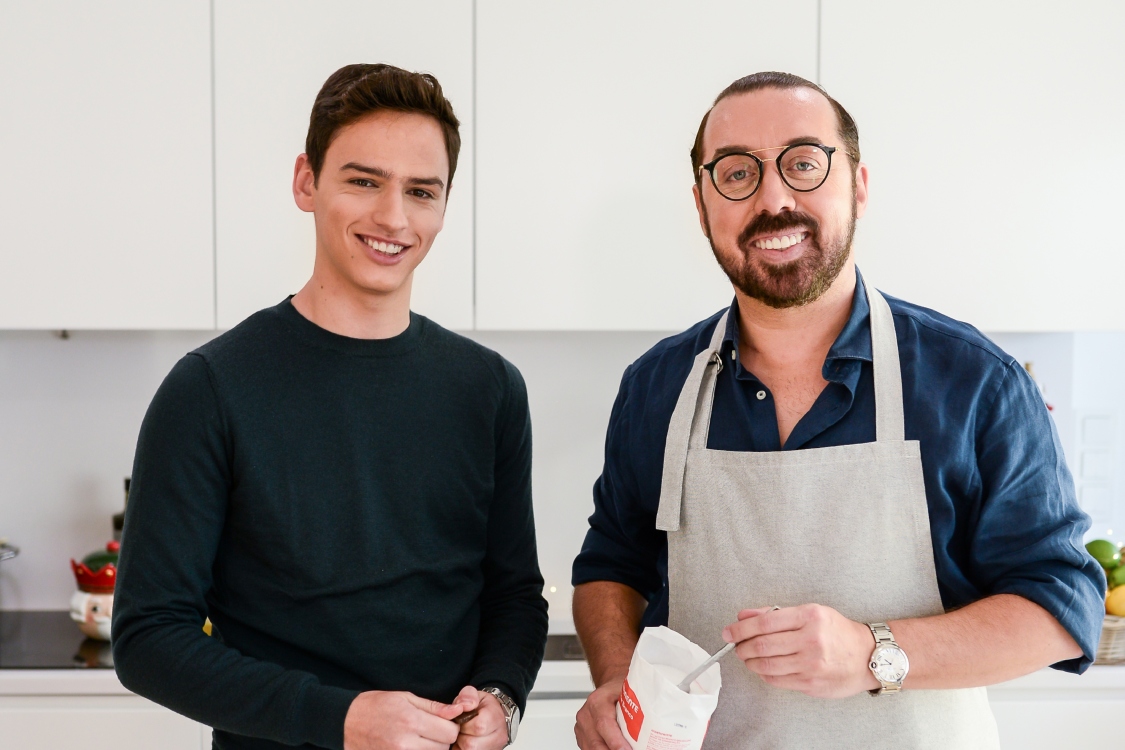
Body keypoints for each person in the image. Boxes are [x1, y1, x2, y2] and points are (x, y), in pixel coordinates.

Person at [571, 71, 1105, 749]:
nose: (772, 198)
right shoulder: (655, 388)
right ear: (703, 206)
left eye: (802, 164)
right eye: (735, 173)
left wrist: (870, 653)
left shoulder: (974, 382)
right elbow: (610, 568)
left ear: (857, 184)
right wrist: (619, 681)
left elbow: (1062, 607)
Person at [113, 64, 547, 750]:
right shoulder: (209, 388)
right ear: (306, 182)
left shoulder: (488, 389)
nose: (393, 218)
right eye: (364, 180)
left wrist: (500, 696)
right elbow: (148, 638)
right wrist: (339, 719)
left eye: (421, 191)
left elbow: (515, 597)